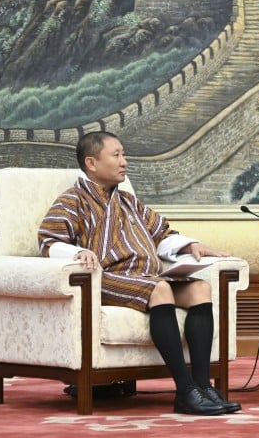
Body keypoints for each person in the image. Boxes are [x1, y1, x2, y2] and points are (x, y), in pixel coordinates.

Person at [38, 131, 242, 416]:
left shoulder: (128, 201)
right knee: (160, 289)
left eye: (124, 154)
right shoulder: (72, 200)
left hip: (145, 278)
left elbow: (162, 234)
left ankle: (202, 386)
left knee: (200, 290)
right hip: (105, 278)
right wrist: (76, 253)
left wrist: (192, 245)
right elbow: (48, 241)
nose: (124, 162)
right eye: (116, 155)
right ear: (91, 163)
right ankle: (184, 391)